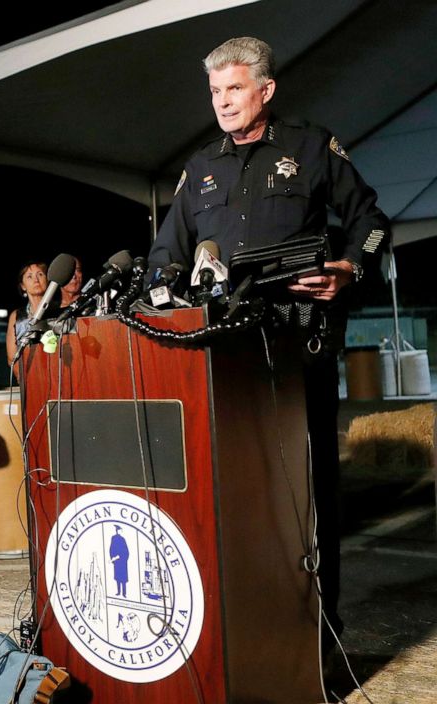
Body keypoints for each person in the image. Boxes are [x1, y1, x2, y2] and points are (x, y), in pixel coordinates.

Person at [147, 37, 390, 641]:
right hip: (219, 359)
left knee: (308, 494)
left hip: (296, 347)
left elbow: (372, 224)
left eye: (233, 88)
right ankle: (243, 631)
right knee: (232, 489)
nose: (222, 103)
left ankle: (317, 636)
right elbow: (165, 254)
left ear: (265, 90)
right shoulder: (201, 166)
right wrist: (157, 294)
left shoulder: (311, 147)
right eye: (214, 92)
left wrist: (349, 270)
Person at [5, 260, 49, 367]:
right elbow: (12, 359)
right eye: (29, 276)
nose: (36, 280)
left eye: (40, 274)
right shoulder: (17, 316)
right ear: (23, 286)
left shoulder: (60, 310)